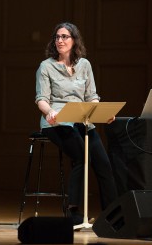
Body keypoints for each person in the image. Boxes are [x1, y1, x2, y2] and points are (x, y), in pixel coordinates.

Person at [35, 22, 117, 225]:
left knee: (103, 164)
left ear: (74, 40)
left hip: (83, 120)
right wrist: (50, 111)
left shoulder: (84, 65)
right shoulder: (46, 66)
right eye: (57, 37)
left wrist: (99, 112)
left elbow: (92, 96)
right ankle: (74, 210)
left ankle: (114, 214)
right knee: (82, 157)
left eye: (65, 37)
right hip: (58, 121)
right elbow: (41, 99)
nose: (60, 40)